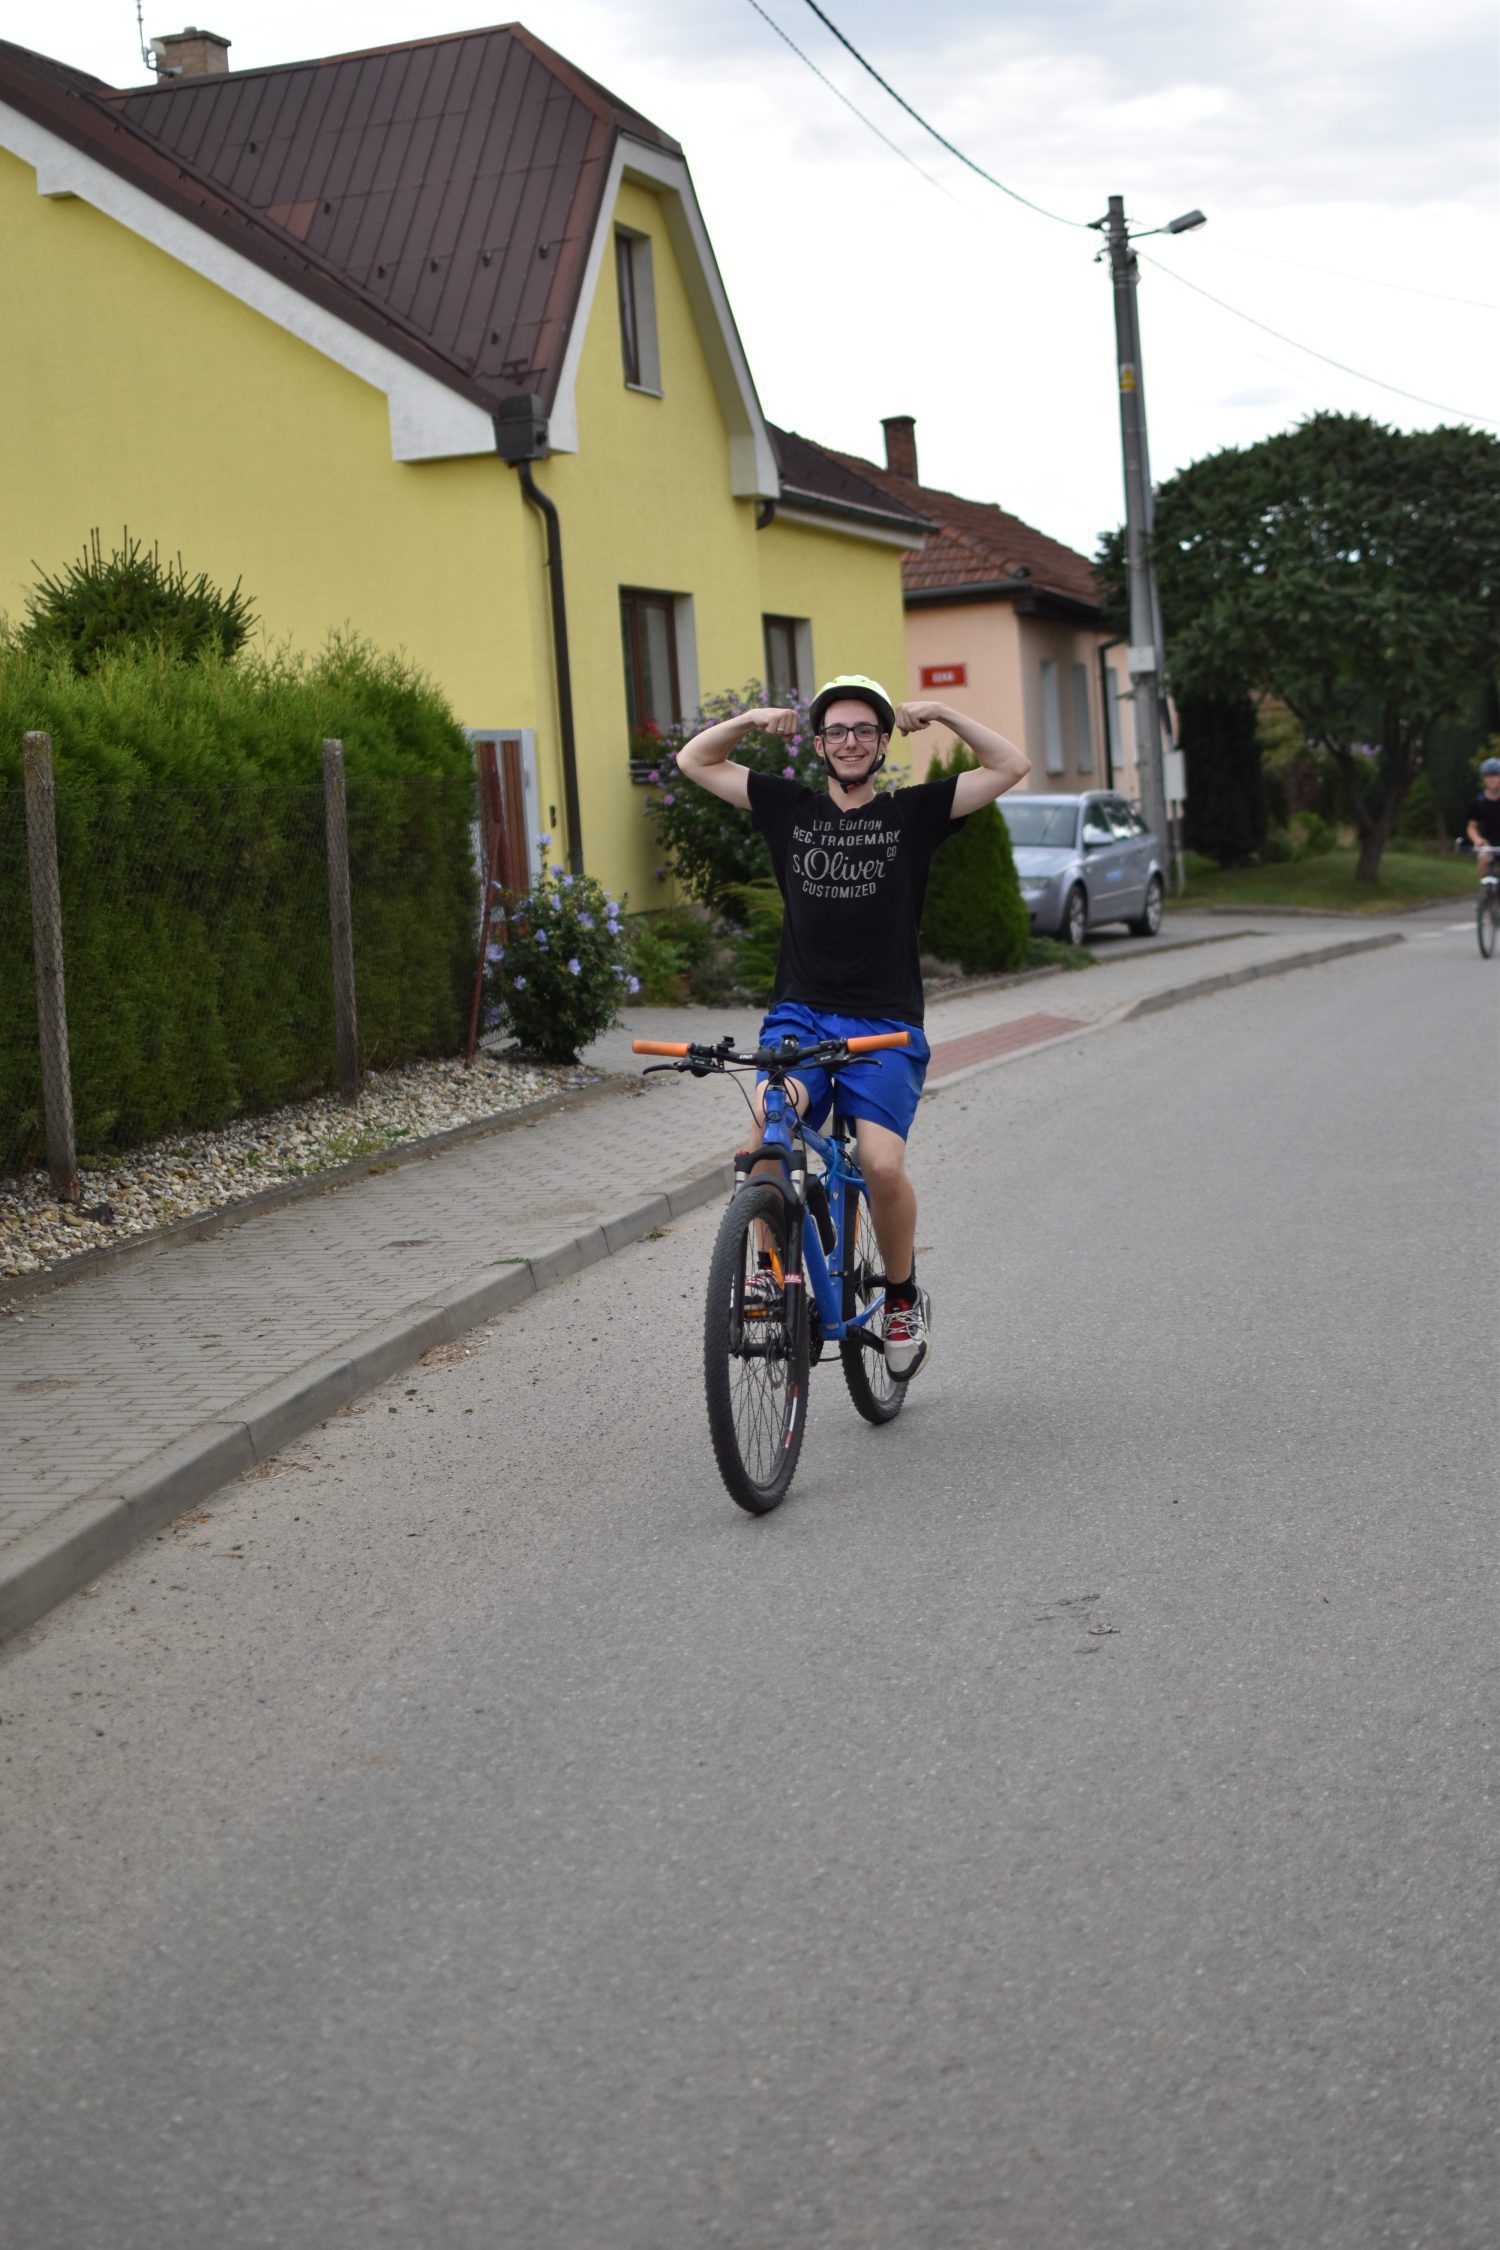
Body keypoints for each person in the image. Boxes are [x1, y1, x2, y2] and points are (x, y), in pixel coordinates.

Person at [675, 673, 1029, 1380]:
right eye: (835, 731)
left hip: (884, 1023)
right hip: (801, 1013)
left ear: (882, 742)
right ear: (818, 744)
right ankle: (769, 1274)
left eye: (864, 730)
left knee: (880, 1164)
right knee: (767, 1134)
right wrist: (751, 719)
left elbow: (1009, 765)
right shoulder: (789, 808)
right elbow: (695, 760)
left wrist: (944, 711)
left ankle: (900, 1298)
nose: (849, 741)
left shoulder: (912, 813)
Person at [1465, 756, 1500, 874]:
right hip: (1488, 844)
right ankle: (1486, 883)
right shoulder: (1479, 802)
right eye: (1487, 775)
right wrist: (1478, 840)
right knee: (1483, 857)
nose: (1491, 779)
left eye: (1495, 775)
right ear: (1483, 778)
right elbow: (1471, 827)